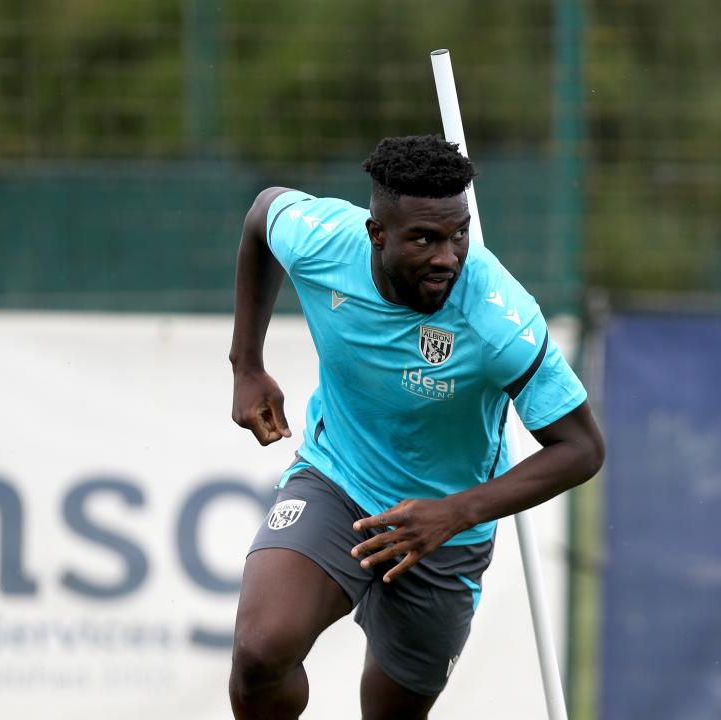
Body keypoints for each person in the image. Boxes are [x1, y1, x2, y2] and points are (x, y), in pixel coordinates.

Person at [227, 134, 604, 720]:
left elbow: (581, 448)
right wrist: (247, 365)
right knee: (260, 653)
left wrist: (454, 513)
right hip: (338, 481)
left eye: (459, 235)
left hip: (448, 532)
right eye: (425, 238)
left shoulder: (498, 317)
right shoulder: (324, 241)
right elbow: (261, 215)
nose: (447, 258)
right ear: (376, 234)